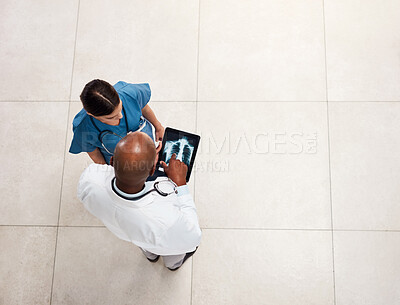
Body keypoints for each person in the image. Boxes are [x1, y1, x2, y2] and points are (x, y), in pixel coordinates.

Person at [77, 132, 202, 271]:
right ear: (153, 170)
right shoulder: (165, 218)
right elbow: (193, 238)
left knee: (143, 242)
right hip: (163, 240)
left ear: (112, 161)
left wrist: (141, 158)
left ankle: (150, 255)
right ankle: (172, 266)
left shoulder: (89, 180)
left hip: (130, 233)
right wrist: (180, 184)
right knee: (175, 254)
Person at [69, 79, 164, 165]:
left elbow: (143, 107)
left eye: (121, 108)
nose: (120, 116)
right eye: (112, 117)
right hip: (120, 161)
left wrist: (158, 127)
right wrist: (109, 172)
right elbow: (95, 154)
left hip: (145, 141)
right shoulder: (84, 128)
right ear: (92, 114)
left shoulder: (129, 93)